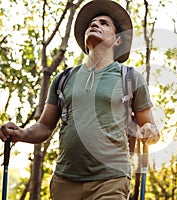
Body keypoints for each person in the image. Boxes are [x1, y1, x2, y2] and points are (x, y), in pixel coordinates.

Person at [0, 0, 160, 199]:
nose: (94, 24)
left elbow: (150, 128)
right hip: (65, 180)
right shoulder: (64, 78)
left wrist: (150, 131)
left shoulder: (130, 78)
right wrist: (22, 133)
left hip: (111, 179)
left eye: (104, 23)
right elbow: (45, 127)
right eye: (92, 23)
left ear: (118, 40)